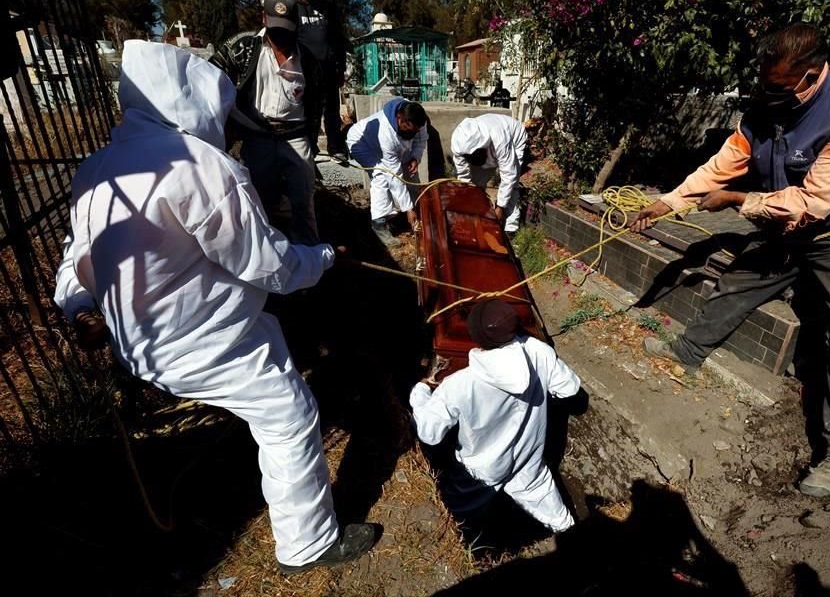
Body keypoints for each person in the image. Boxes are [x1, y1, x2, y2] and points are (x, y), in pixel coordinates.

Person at [54, 40, 376, 573]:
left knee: (269, 357)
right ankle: (308, 542)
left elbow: (78, 254)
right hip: (200, 342)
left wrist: (78, 306)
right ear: (191, 102)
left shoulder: (96, 168)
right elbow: (268, 265)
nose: (226, 129)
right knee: (288, 414)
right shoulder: (197, 165)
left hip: (137, 344)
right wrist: (324, 257)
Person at [629, 23, 830, 497]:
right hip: (789, 229)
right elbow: (724, 164)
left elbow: (812, 204)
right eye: (763, 83)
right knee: (738, 280)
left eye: (777, 86)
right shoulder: (766, 108)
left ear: (810, 74)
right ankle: (688, 352)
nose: (767, 94)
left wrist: (736, 200)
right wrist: (669, 202)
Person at [409, 299, 581, 533]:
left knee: (458, 520)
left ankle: (471, 546)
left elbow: (429, 432)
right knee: (558, 517)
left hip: (481, 471)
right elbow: (568, 388)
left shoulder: (460, 384)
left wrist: (420, 391)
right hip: (529, 458)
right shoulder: (539, 352)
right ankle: (579, 543)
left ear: (476, 336)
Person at [209, 0, 322, 245]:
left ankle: (311, 260)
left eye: (287, 30)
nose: (280, 37)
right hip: (257, 136)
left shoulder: (308, 61)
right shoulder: (242, 47)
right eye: (275, 30)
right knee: (260, 199)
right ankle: (270, 254)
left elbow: (315, 105)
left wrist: (312, 142)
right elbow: (209, 77)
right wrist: (226, 123)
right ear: (263, 19)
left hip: (295, 137)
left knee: (303, 201)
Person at [345, 98, 427, 246]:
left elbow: (421, 142)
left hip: (384, 147)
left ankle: (409, 215)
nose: (412, 134)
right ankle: (379, 223)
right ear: (399, 118)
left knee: (410, 175)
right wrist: (408, 208)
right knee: (381, 177)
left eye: (414, 131)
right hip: (362, 144)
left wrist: (415, 157)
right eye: (408, 129)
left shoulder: (418, 119)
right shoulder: (386, 132)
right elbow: (394, 176)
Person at [291, 0, 348, 160]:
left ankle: (335, 147)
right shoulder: (291, 6)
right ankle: (310, 147)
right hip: (304, 69)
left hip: (329, 68)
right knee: (309, 110)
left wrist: (341, 67)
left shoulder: (327, 6)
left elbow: (339, 38)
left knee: (331, 110)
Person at [450, 113, 527, 234]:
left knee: (512, 185)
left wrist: (500, 207)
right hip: (490, 149)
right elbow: (464, 179)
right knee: (476, 185)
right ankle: (481, 216)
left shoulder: (499, 138)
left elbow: (509, 175)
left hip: (514, 138)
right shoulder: (460, 147)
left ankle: (510, 228)